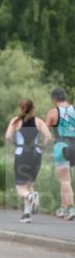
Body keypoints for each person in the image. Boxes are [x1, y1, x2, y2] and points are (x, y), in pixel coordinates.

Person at [5, 98, 52, 222]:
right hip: (36, 154)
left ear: (21, 108)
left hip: (21, 154)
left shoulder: (15, 121)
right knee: (29, 184)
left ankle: (30, 197)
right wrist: (42, 146)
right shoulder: (39, 122)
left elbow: (8, 137)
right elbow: (48, 137)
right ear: (33, 109)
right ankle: (26, 214)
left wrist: (14, 143)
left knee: (20, 187)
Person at [45, 87, 75, 220]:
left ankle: (72, 208)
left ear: (54, 99)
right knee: (67, 180)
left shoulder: (53, 112)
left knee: (65, 180)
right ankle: (63, 208)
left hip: (61, 147)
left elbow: (46, 134)